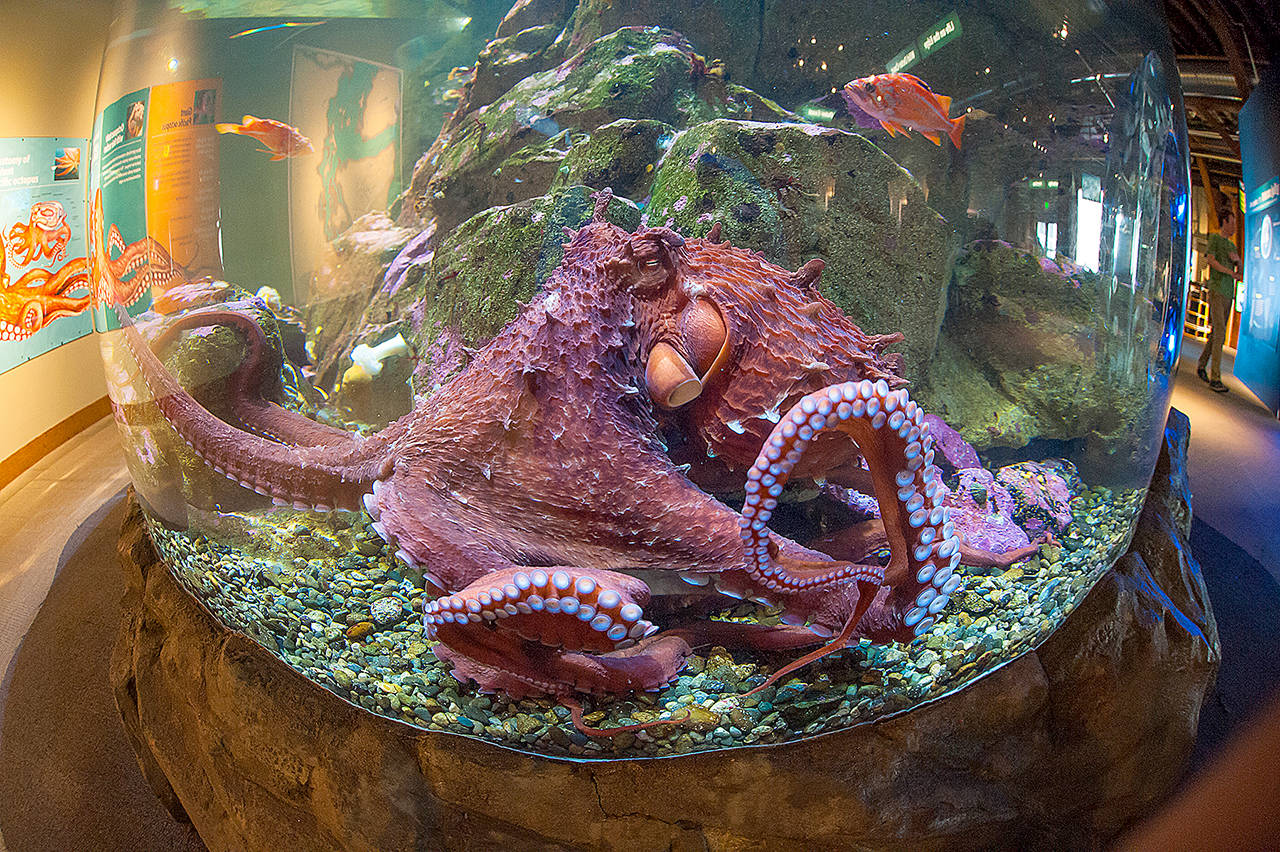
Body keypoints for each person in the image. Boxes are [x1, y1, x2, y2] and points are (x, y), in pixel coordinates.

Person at [1197, 204, 1242, 393]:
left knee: (1217, 332)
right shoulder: (1215, 238)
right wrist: (1228, 271)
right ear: (1224, 222)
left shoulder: (1232, 246)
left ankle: (1201, 365)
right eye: (1231, 223)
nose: (1233, 227)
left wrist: (1237, 263)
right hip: (1216, 290)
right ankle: (1215, 377)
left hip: (1227, 293)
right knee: (1220, 332)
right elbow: (1211, 260)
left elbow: (1239, 274)